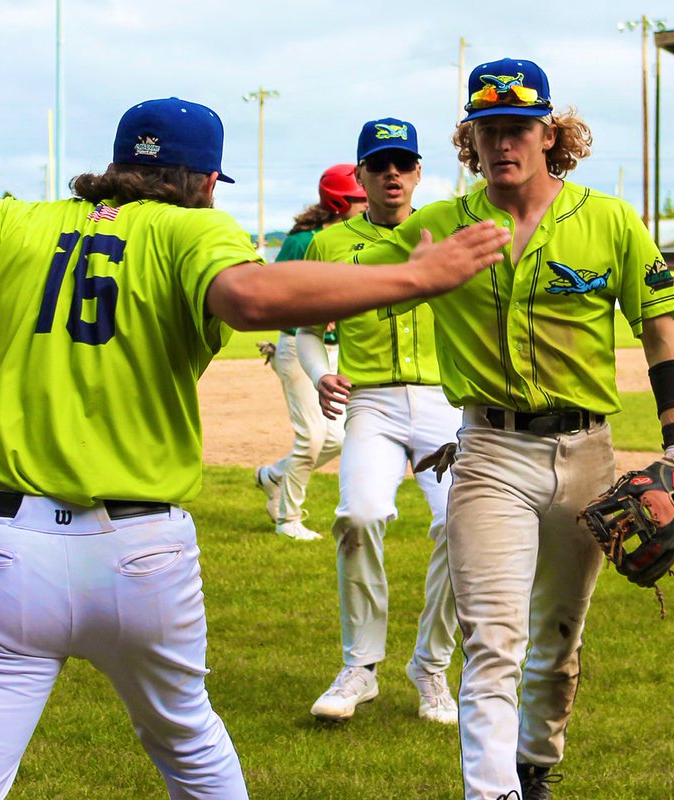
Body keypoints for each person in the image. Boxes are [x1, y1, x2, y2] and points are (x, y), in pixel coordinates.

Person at [0, 96, 507, 800]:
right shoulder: (195, 230)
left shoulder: (13, 219)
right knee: (188, 742)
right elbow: (248, 300)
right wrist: (416, 275)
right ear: (205, 179)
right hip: (142, 553)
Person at [354, 60, 674, 800]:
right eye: (487, 129)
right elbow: (350, 272)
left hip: (588, 454)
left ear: (550, 134)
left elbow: (661, 336)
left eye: (518, 127)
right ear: (469, 140)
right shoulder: (438, 226)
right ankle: (493, 792)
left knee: (559, 642)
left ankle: (534, 764)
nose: (502, 141)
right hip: (489, 451)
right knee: (493, 642)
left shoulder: (608, 220)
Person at [297, 118, 460, 725]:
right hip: (372, 402)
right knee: (358, 516)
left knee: (459, 527)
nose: (393, 173)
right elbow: (307, 331)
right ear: (361, 174)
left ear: (419, 172)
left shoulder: (449, 231)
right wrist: (319, 374)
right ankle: (360, 667)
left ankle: (431, 666)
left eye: (404, 163)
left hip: (446, 403)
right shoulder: (330, 244)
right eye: (380, 163)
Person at [254, 165, 367, 540]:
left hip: (332, 353)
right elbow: (273, 291)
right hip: (296, 348)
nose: (366, 202)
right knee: (312, 438)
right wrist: (315, 311)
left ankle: (274, 476)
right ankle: (289, 520)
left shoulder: (353, 239)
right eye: (359, 197)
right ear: (339, 202)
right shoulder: (303, 241)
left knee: (336, 438)